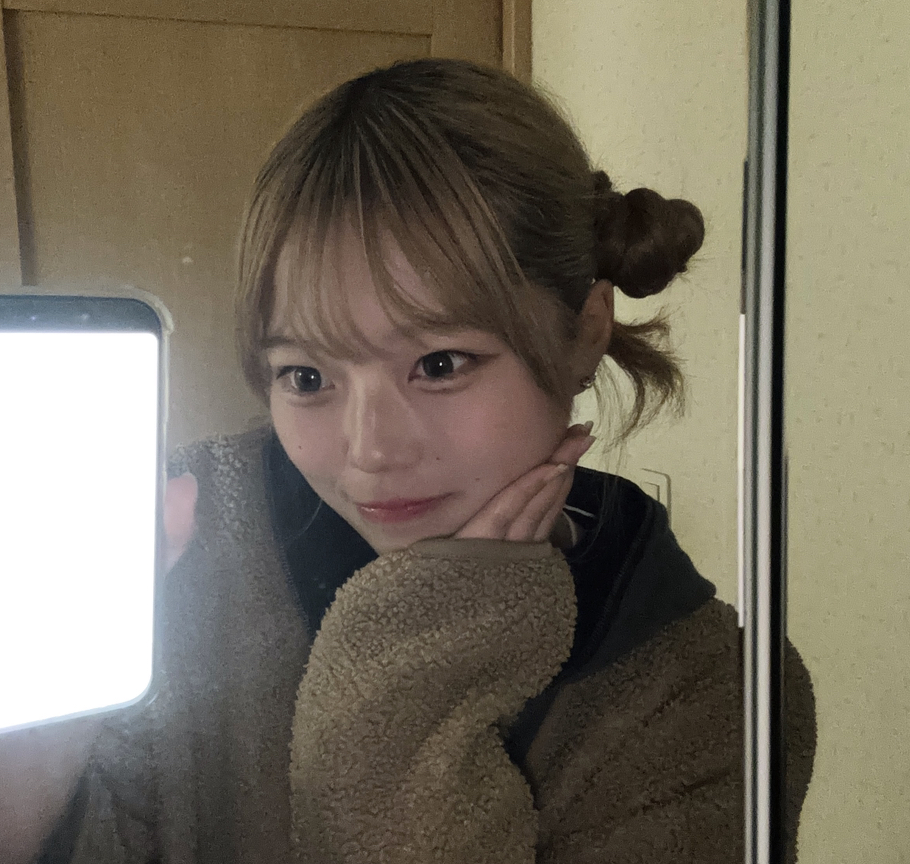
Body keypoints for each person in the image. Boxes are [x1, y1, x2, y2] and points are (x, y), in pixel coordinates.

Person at [10, 58, 815, 864]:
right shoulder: (186, 552)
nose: (370, 451)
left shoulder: (718, 699)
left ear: (586, 330)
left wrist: (416, 672)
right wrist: (34, 762)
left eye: (439, 364)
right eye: (306, 377)